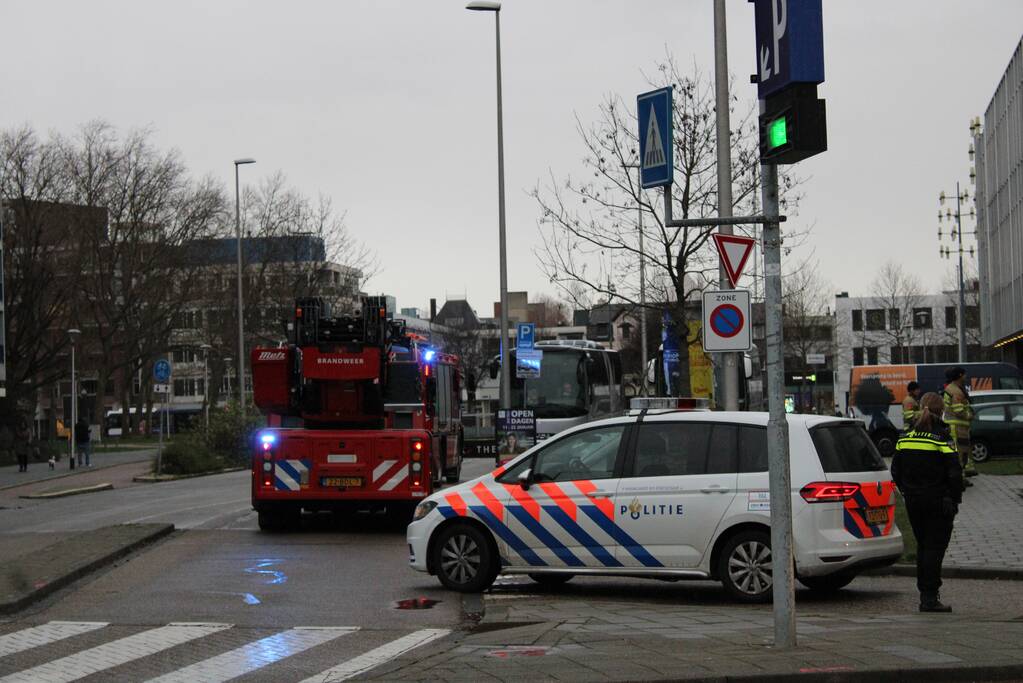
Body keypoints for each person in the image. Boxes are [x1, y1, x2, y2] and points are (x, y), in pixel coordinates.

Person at [891, 392, 964, 613]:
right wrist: (954, 499)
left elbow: (895, 471)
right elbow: (954, 473)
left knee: (923, 546)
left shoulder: (905, 437)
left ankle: (926, 594)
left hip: (913, 501)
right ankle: (930, 598)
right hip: (938, 502)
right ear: (941, 411)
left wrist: (907, 490)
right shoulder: (942, 438)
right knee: (934, 548)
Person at [942, 367, 976, 486]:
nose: (966, 377)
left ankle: (960, 478)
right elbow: (959, 410)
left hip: (957, 427)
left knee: (961, 454)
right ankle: (958, 480)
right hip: (957, 428)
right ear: (960, 375)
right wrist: (970, 415)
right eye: (964, 374)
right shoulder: (955, 391)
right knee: (960, 454)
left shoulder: (953, 388)